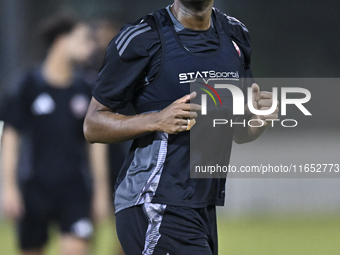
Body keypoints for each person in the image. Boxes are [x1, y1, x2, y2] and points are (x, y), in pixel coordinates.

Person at [84, 0, 279, 254]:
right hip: (154, 201)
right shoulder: (143, 37)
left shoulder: (235, 34)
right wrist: (156, 119)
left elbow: (240, 131)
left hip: (202, 205)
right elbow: (93, 124)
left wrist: (257, 123)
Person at [0, 14, 110, 255]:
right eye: (83, 39)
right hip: (34, 189)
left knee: (76, 250)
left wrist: (101, 191)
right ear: (61, 41)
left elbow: (97, 143)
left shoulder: (85, 90)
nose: (90, 46)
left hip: (75, 190)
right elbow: (10, 137)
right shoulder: (27, 85)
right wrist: (8, 188)